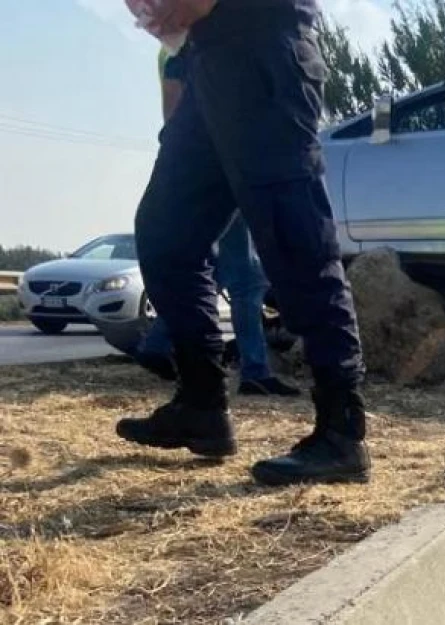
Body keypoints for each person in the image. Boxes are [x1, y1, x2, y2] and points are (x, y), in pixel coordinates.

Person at [116, 0, 369, 487]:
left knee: (297, 245)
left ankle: (342, 431)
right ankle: (201, 405)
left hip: (265, 55)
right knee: (165, 234)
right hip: (207, 62)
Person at [135, 45, 299, 398]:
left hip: (205, 161)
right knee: (245, 279)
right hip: (220, 162)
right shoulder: (193, 44)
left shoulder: (176, 45)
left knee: (219, 270)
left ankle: (161, 342)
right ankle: (251, 369)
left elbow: (175, 108)